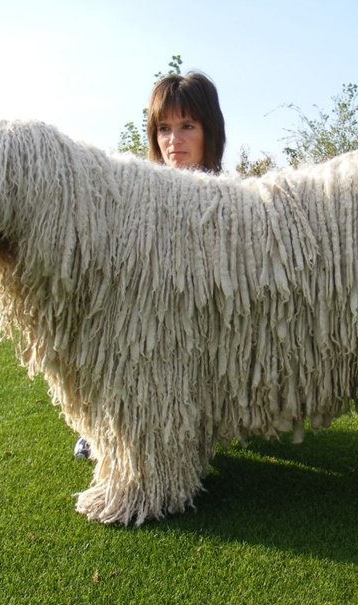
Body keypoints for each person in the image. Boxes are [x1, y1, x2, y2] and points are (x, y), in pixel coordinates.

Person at [74, 71, 227, 460]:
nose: (173, 141)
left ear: (210, 130)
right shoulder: (133, 203)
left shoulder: (230, 202)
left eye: (187, 126)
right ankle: (108, 423)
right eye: (164, 128)